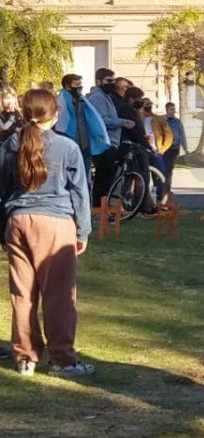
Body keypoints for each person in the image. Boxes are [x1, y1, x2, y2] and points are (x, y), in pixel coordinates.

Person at [1, 88, 94, 377]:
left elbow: (2, 190)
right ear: (55, 114)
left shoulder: (10, 145)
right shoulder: (67, 148)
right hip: (55, 222)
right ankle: (62, 360)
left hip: (17, 221)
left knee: (23, 293)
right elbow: (80, 192)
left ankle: (25, 357)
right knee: (59, 295)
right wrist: (84, 231)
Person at [54, 74, 110, 190]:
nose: (80, 87)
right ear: (68, 86)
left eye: (80, 84)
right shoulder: (61, 101)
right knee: (69, 177)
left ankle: (86, 206)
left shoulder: (83, 100)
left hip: (85, 145)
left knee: (86, 178)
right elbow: (61, 123)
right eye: (77, 84)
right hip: (70, 143)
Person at [88, 68, 131, 205]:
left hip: (110, 142)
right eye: (108, 80)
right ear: (99, 81)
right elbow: (102, 120)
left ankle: (102, 209)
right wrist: (122, 122)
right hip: (103, 143)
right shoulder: (97, 97)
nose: (111, 83)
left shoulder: (106, 96)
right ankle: (98, 209)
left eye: (113, 80)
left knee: (107, 180)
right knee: (103, 180)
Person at [162, 102, 187, 197]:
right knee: (164, 169)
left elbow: (182, 134)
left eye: (174, 109)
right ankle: (163, 189)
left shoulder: (177, 121)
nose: (173, 111)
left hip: (174, 148)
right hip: (165, 148)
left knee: (169, 170)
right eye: (171, 109)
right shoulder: (162, 120)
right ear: (167, 110)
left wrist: (185, 148)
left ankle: (167, 189)